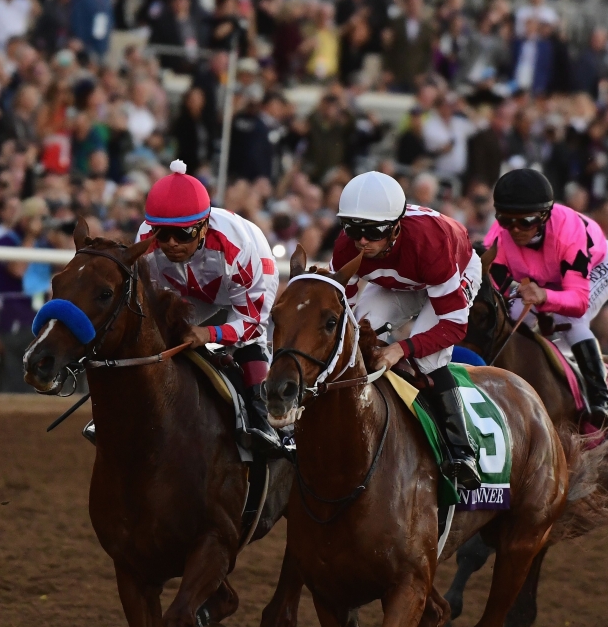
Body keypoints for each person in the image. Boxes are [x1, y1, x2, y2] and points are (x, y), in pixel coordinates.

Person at [81, 160, 284, 457]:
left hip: (244, 279)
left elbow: (250, 322)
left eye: (184, 234)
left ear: (203, 226)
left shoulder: (237, 249)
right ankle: (124, 406)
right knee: (155, 330)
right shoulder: (146, 244)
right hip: (187, 284)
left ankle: (259, 415)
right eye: (162, 234)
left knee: (248, 339)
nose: (172, 244)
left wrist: (209, 332)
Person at [330, 171, 483, 489]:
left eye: (373, 232)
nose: (361, 241)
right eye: (354, 229)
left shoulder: (429, 240)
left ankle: (461, 450)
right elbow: (343, 311)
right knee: (362, 339)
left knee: (425, 361)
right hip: (400, 280)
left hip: (451, 270)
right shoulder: (346, 248)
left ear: (396, 226)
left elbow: (454, 326)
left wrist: (402, 347)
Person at [483, 168, 608, 431]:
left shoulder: (568, 233)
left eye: (524, 221)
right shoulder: (498, 239)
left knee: (570, 318)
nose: (514, 230)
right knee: (511, 317)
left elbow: (578, 300)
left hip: (596, 266)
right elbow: (491, 296)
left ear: (544, 215)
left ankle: (601, 400)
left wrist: (545, 296)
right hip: (544, 275)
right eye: (505, 220)